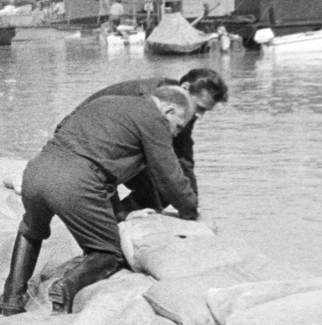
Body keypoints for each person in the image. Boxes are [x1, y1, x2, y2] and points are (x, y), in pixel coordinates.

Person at [0, 87, 197, 316]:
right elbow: (169, 174)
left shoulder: (107, 102)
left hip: (36, 171)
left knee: (30, 230)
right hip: (75, 182)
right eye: (178, 126)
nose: (175, 134)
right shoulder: (153, 118)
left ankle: (10, 300)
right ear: (169, 110)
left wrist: (119, 213)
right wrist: (190, 211)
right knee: (109, 253)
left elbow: (88, 150)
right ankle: (65, 286)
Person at [74, 68, 227, 215]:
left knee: (167, 190)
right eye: (200, 108)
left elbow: (183, 158)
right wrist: (188, 207)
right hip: (85, 140)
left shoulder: (182, 107)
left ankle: (125, 216)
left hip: (112, 142)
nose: (200, 116)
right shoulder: (152, 100)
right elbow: (163, 162)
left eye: (205, 111)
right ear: (185, 87)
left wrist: (193, 203)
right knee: (166, 179)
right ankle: (116, 216)